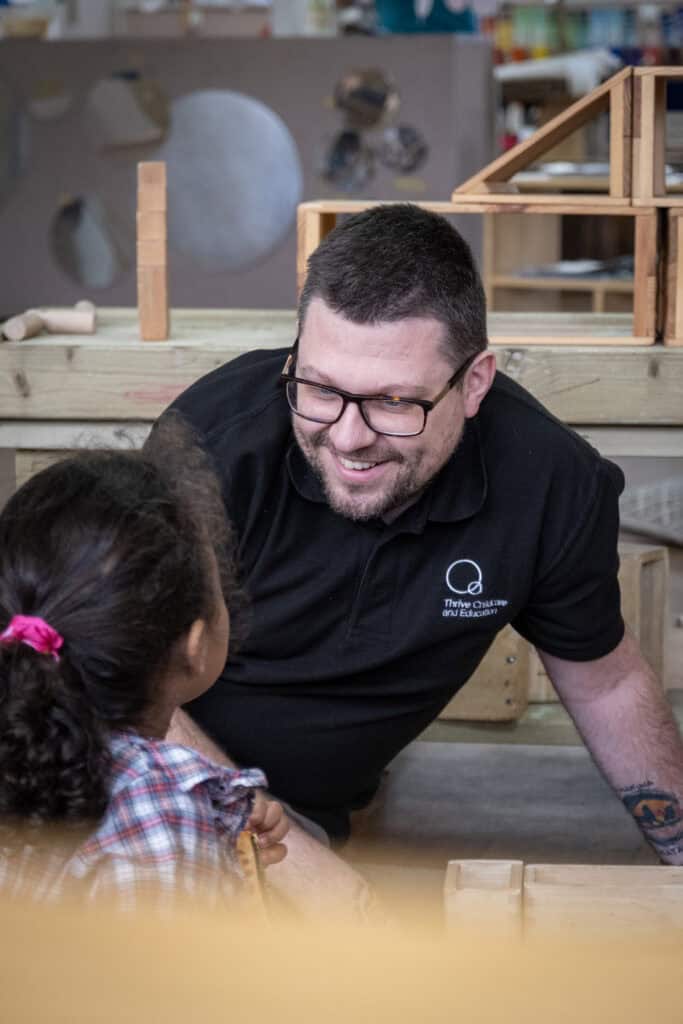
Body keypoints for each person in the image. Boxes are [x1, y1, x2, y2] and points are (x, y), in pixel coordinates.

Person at [164, 203, 683, 864]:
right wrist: (274, 841)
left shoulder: (551, 482)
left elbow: (606, 684)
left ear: (473, 383)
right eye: (320, 389)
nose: (348, 438)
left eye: (392, 402)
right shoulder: (211, 443)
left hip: (310, 815)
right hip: (163, 782)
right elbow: (117, 684)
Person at [0, 418, 289, 909]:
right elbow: (171, 983)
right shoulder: (164, 811)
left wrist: (219, 843)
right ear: (194, 646)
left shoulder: (26, 750)